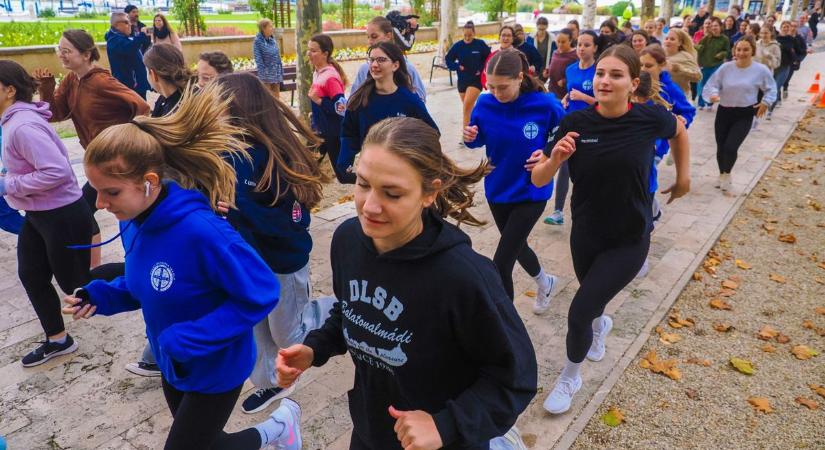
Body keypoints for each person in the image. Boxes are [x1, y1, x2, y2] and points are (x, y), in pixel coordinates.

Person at [62, 83, 302, 450]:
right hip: (173, 363)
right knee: (206, 443)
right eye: (96, 190)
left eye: (111, 192)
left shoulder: (203, 232)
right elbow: (150, 283)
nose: (99, 203)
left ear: (149, 182)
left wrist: (189, 338)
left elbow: (262, 292)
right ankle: (278, 431)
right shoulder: (136, 222)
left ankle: (277, 429)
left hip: (217, 368)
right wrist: (101, 296)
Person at [276, 116, 538, 450]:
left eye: (393, 194)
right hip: (371, 432)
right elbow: (351, 310)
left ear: (430, 193)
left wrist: (445, 425)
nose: (370, 206)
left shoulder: (464, 277)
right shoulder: (347, 240)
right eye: (363, 184)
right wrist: (316, 347)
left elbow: (515, 378)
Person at [531, 44, 690, 414]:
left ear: (634, 84)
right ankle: (601, 323)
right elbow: (540, 179)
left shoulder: (649, 117)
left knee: (578, 310)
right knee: (593, 302)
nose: (605, 80)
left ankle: (571, 376)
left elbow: (679, 131)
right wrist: (556, 158)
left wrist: (684, 178)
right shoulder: (576, 123)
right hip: (586, 233)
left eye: (615, 75)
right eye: (601, 73)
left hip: (631, 237)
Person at [212, 72, 329, 415]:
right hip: (247, 265)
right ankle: (271, 383)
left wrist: (238, 209)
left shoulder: (277, 156)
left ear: (238, 109)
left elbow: (293, 222)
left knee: (288, 333)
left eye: (216, 106)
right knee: (256, 327)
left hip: (283, 263)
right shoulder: (226, 152)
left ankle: (334, 310)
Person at [0, 60, 93, 367]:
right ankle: (58, 339)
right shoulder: (14, 121)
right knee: (31, 274)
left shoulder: (22, 126)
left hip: (61, 214)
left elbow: (56, 170)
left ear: (10, 90)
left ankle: (145, 276)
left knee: (78, 285)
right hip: (39, 214)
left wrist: (8, 184)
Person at [33, 29, 150, 268]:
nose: (62, 56)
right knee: (91, 210)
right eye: (60, 51)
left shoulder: (100, 81)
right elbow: (54, 113)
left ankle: (105, 265)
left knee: (93, 210)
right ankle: (98, 264)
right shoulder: (71, 80)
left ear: (86, 54)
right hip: (98, 160)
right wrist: (46, 87)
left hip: (116, 160)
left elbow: (141, 106)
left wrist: (125, 138)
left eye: (67, 51)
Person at [464, 48, 565, 311]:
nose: (497, 94)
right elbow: (479, 140)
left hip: (532, 191)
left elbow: (565, 137)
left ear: (520, 77)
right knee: (517, 247)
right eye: (491, 87)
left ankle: (506, 328)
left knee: (501, 262)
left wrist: (546, 154)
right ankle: (546, 282)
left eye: (503, 87)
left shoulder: (547, 105)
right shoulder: (485, 104)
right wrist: (471, 136)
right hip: (497, 189)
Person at [339, 42, 438, 184]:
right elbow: (349, 133)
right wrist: (344, 163)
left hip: (401, 175)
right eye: (371, 60)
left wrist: (418, 163)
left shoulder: (409, 100)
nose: (374, 65)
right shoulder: (359, 100)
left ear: (395, 65)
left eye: (381, 60)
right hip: (371, 171)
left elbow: (432, 133)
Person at [702, 36, 776, 193]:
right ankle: (721, 173)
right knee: (721, 147)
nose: (742, 53)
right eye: (739, 49)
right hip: (724, 112)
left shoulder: (760, 70)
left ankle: (727, 174)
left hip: (744, 113)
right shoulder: (726, 68)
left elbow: (771, 88)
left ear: (752, 51)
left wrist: (766, 102)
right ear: (734, 51)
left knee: (731, 146)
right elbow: (713, 84)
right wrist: (714, 95)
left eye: (746, 49)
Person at [545, 31, 598, 227]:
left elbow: (605, 103)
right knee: (564, 165)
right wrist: (567, 98)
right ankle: (558, 211)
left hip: (593, 125)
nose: (581, 48)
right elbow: (570, 92)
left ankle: (590, 209)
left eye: (586, 45)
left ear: (595, 48)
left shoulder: (598, 71)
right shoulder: (571, 69)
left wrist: (584, 98)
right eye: (579, 45)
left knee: (587, 169)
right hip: (571, 123)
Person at [640, 44, 695, 221]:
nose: (643, 69)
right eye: (641, 65)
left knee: (645, 176)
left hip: (658, 144)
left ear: (661, 65)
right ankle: (652, 210)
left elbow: (687, 111)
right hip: (636, 140)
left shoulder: (670, 89)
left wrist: (682, 121)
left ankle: (652, 212)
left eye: (648, 66)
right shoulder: (635, 84)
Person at [307, 34, 352, 183]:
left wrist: (319, 101)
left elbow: (341, 109)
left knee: (343, 176)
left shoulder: (330, 77)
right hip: (319, 131)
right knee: (304, 169)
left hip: (332, 133)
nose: (309, 54)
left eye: (313, 51)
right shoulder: (318, 72)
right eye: (308, 50)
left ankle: (374, 185)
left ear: (325, 53)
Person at [351, 16, 427, 102]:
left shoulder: (408, 68)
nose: (370, 41)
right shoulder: (364, 69)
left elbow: (421, 99)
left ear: (388, 36)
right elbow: (353, 100)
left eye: (374, 36)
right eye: (368, 37)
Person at [445, 21, 491, 129]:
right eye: (465, 35)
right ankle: (478, 125)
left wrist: (481, 69)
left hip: (476, 80)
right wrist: (457, 66)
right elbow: (448, 59)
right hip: (462, 81)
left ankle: (465, 135)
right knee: (469, 108)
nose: (467, 37)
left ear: (474, 33)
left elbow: (489, 59)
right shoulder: (458, 46)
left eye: (469, 35)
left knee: (466, 107)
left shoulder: (480, 44)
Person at [106, 12, 152, 99]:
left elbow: (138, 47)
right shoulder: (114, 40)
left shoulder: (123, 37)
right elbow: (130, 48)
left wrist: (145, 37)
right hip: (129, 85)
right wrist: (141, 35)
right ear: (117, 25)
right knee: (134, 110)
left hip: (137, 83)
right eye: (126, 22)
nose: (130, 24)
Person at [695, 17, 730, 110]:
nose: (714, 28)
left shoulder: (724, 39)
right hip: (705, 64)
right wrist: (700, 47)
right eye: (713, 26)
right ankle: (701, 103)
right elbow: (697, 47)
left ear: (721, 27)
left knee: (713, 85)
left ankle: (710, 103)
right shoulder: (707, 38)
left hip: (717, 65)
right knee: (703, 84)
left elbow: (727, 51)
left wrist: (722, 54)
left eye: (716, 26)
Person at [770, 21, 798, 117]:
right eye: (784, 26)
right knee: (771, 86)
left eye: (787, 27)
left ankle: (770, 110)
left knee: (776, 86)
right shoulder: (776, 39)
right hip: (774, 66)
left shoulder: (792, 39)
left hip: (785, 66)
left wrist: (795, 59)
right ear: (781, 27)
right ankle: (777, 99)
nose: (785, 28)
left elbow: (799, 51)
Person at [664, 28, 701, 98]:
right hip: (663, 97)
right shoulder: (659, 54)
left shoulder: (685, 56)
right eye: (666, 38)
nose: (668, 41)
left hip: (680, 97)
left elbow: (698, 77)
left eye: (672, 39)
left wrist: (679, 69)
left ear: (679, 43)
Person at [253, 18, 284, 97]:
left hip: (276, 74)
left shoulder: (272, 40)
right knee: (268, 98)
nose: (272, 28)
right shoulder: (258, 41)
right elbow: (258, 59)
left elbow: (277, 57)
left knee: (277, 98)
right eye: (270, 26)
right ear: (263, 28)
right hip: (266, 76)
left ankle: (277, 110)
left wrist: (280, 71)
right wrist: (264, 74)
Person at [547, 29, 578, 99]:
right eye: (558, 41)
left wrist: (565, 81)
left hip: (565, 95)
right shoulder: (555, 52)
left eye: (563, 42)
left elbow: (577, 73)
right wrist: (547, 72)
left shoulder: (575, 55)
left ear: (570, 41)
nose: (560, 44)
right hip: (552, 91)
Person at [782, 21, 809, 100]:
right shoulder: (783, 37)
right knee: (780, 79)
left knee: (787, 78)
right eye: (792, 26)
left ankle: (785, 88)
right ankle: (778, 97)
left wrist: (798, 60)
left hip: (792, 63)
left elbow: (803, 51)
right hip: (782, 62)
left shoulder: (799, 38)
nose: (793, 28)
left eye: (795, 26)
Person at [530, 17, 553, 82]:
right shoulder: (530, 38)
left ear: (547, 27)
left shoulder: (552, 39)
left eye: (543, 29)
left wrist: (549, 69)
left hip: (545, 70)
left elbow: (553, 55)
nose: (541, 32)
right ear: (536, 27)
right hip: (533, 69)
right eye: (539, 29)